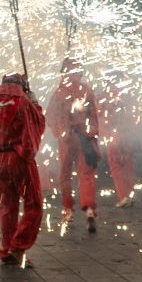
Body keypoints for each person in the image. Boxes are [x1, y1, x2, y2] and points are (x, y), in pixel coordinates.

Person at [0, 73, 46, 266]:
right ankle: (18, 247)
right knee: (34, 204)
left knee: (7, 207)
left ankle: (7, 248)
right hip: (20, 159)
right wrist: (36, 103)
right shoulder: (24, 104)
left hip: (0, 161)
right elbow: (38, 125)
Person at [48, 58, 100, 233]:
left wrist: (61, 132)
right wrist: (92, 133)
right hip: (84, 139)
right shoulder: (86, 90)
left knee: (65, 175)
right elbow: (94, 114)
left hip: (67, 140)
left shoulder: (59, 93)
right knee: (86, 175)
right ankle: (90, 210)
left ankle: (68, 209)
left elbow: (51, 117)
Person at [97, 70, 136, 209]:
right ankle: (130, 194)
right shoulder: (127, 95)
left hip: (113, 136)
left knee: (116, 166)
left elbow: (99, 116)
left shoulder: (103, 97)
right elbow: (134, 114)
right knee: (128, 165)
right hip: (128, 135)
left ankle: (123, 196)